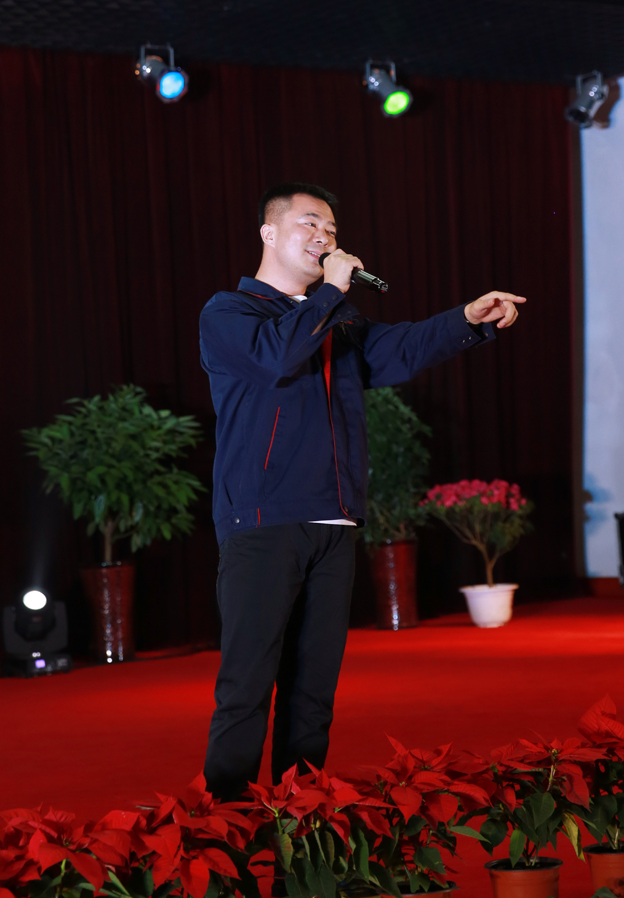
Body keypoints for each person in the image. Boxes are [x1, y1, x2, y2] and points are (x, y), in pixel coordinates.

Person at [199, 182, 525, 801]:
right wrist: (330, 292)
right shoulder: (230, 313)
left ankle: (302, 819)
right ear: (269, 233)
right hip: (264, 523)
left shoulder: (336, 319)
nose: (324, 237)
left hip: (336, 521)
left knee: (313, 691)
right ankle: (227, 824)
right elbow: (278, 357)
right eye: (309, 224)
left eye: (330, 229)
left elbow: (398, 348)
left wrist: (466, 318)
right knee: (247, 684)